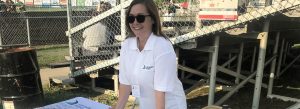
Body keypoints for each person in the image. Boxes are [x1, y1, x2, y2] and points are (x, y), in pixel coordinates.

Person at [113, 0, 187, 109]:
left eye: (140, 18)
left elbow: (160, 92)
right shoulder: (127, 45)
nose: (135, 22)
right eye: (131, 18)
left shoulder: (162, 46)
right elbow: (125, 83)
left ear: (152, 19)